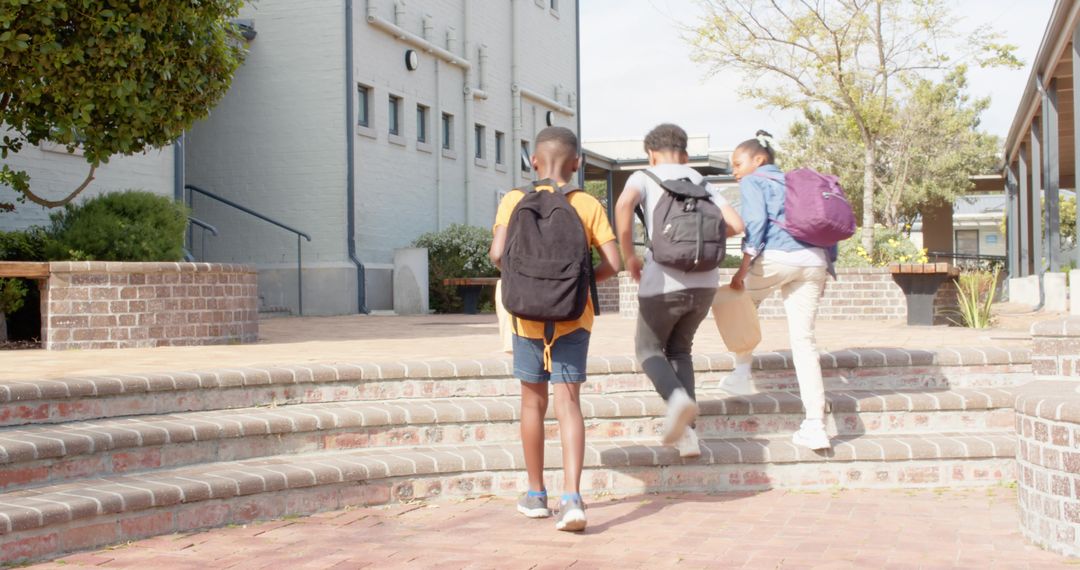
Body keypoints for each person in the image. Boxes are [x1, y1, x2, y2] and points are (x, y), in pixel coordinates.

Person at [490, 126, 621, 532]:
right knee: (569, 406)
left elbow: (497, 254)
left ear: (533, 161)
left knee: (532, 404)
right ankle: (572, 498)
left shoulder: (514, 200)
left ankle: (534, 495)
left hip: (525, 316)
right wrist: (576, 286)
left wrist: (527, 285)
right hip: (573, 318)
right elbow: (613, 264)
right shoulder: (587, 204)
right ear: (577, 163)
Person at [614, 123, 744, 458]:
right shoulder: (702, 181)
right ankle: (688, 438)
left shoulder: (643, 176)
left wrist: (630, 254)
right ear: (685, 154)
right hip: (704, 284)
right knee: (680, 351)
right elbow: (736, 225)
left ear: (651, 153)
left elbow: (624, 205)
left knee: (648, 350)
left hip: (663, 282)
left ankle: (677, 400)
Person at [721, 130, 833, 451]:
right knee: (804, 342)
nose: (734, 170)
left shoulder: (755, 181)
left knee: (737, 303)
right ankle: (815, 425)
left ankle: (742, 372)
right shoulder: (796, 183)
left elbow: (754, 225)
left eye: (738, 163)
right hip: (814, 261)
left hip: (777, 257)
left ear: (759, 160)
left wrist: (742, 270)